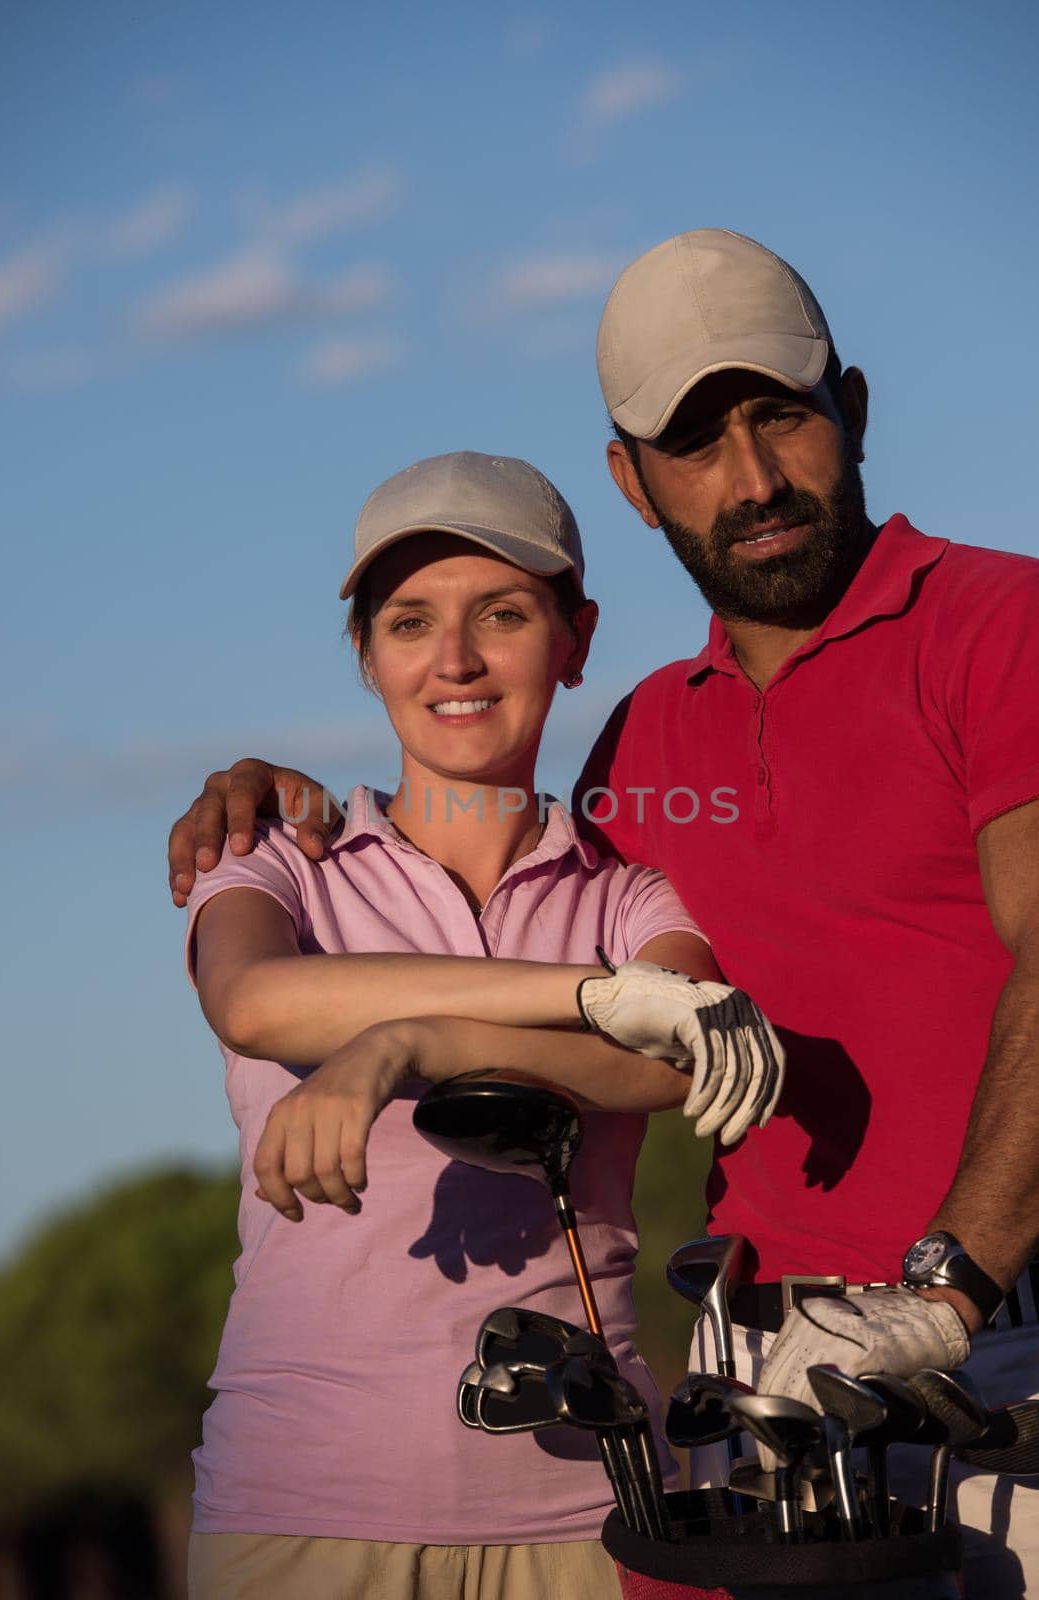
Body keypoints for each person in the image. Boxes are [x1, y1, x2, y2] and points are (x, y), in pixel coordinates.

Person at [170, 231, 1039, 1595]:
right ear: (635, 484)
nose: (751, 478)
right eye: (694, 442)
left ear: (853, 408)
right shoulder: (635, 756)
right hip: (742, 1391)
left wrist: (947, 1291)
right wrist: (264, 797)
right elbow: (291, 984)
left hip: (988, 1343)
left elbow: (672, 1041)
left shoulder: (1001, 622)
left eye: (781, 416)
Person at [177, 448, 784, 1600]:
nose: (454, 660)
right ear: (366, 654)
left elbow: (675, 1057)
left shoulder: (630, 893)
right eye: (409, 622)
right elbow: (255, 1001)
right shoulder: (279, 861)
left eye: (501, 614)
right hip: (300, 1509)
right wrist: (586, 995)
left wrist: (410, 1044)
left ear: (577, 638)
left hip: (592, 1516)